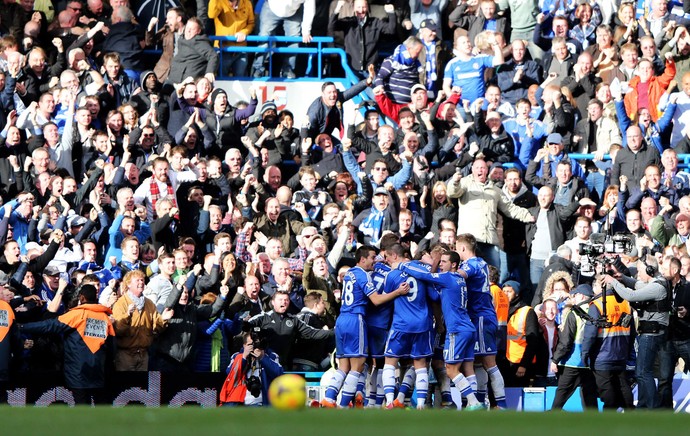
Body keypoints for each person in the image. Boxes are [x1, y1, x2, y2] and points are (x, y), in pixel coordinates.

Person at [321, 245, 407, 408]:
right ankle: (344, 405)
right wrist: (397, 292)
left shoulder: (349, 273)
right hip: (355, 320)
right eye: (372, 258)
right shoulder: (363, 275)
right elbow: (376, 300)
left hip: (341, 319)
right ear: (362, 259)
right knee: (358, 364)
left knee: (343, 365)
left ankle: (329, 398)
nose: (374, 261)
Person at [399, 249, 484, 410]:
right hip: (468, 328)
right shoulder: (458, 279)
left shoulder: (447, 277)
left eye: (444, 262)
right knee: (467, 368)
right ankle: (472, 404)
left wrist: (404, 266)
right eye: (441, 261)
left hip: (457, 329)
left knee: (451, 370)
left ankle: (474, 402)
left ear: (453, 265)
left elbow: (424, 276)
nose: (441, 264)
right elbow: (435, 295)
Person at [18, 284, 115, 404]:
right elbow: (112, 346)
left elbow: (49, 325)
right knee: (101, 409)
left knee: (81, 411)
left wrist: (21, 327)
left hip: (78, 373)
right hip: (98, 372)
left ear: (82, 298)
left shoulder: (76, 315)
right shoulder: (105, 318)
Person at [601, 252, 670, 409]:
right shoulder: (657, 283)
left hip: (652, 334)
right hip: (651, 333)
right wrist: (621, 278)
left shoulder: (657, 287)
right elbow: (638, 285)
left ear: (650, 270)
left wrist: (613, 282)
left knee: (643, 373)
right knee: (642, 372)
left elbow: (631, 295)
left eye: (640, 271)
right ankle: (644, 405)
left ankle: (652, 408)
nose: (638, 274)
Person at [381, 243, 439, 409]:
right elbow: (433, 296)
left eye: (387, 257)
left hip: (401, 324)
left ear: (393, 256)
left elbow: (385, 300)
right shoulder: (421, 271)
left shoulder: (392, 275)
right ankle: (420, 405)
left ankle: (390, 401)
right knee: (420, 365)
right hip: (422, 323)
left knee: (390, 362)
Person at [455, 233, 507, 408]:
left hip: (481, 317)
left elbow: (459, 275)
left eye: (456, 248)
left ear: (463, 248)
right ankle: (480, 402)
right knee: (476, 361)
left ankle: (501, 404)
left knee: (488, 362)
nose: (456, 251)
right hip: (478, 317)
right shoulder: (482, 263)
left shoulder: (472, 264)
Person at [581, 275, 635, 411]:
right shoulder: (625, 304)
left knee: (607, 393)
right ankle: (631, 416)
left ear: (600, 286)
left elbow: (590, 333)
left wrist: (585, 353)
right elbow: (632, 332)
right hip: (621, 354)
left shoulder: (597, 304)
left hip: (602, 356)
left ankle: (608, 422)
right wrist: (628, 352)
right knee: (623, 387)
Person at [246, 290, 333, 371]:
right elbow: (244, 328)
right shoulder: (263, 318)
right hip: (263, 363)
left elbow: (313, 333)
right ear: (273, 302)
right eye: (280, 299)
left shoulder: (293, 320)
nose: (284, 302)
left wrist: (335, 331)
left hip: (284, 366)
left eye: (286, 300)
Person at [551, 284, 599, 410]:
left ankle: (551, 419)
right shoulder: (597, 310)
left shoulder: (574, 313)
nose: (573, 297)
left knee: (561, 395)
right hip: (590, 362)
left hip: (573, 362)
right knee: (589, 397)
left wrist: (555, 359)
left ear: (581, 296)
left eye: (575, 295)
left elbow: (566, 341)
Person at [219, 329, 283, 406]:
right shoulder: (237, 356)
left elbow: (279, 374)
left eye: (256, 344)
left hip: (260, 402)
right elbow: (229, 374)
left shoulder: (271, 356)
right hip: (237, 401)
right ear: (244, 345)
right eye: (250, 344)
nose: (254, 347)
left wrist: (263, 358)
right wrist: (244, 358)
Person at [502, 280, 540, 387]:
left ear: (517, 293)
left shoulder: (527, 311)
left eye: (509, 291)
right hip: (505, 361)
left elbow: (533, 341)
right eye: (503, 291)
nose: (505, 294)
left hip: (520, 363)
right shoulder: (502, 310)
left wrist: (524, 365)